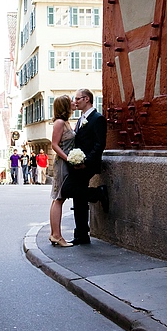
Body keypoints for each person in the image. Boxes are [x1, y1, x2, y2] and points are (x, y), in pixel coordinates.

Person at [64, 88, 107, 245]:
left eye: (78, 99)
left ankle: (97, 193)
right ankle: (81, 234)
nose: (75, 102)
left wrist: (86, 162)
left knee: (68, 190)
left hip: (88, 164)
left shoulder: (97, 118)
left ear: (87, 99)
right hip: (78, 164)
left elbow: (99, 144)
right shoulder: (81, 119)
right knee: (78, 198)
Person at [49, 96, 74, 247]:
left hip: (65, 162)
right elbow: (54, 145)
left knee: (58, 198)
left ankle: (54, 234)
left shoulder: (65, 122)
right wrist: (68, 158)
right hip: (62, 164)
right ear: (65, 106)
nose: (73, 103)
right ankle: (57, 235)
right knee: (59, 197)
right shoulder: (59, 123)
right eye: (70, 101)